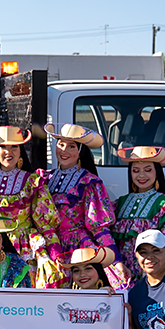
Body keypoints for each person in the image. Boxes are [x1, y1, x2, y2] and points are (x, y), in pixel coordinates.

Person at [39, 123, 128, 289]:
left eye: (71, 146)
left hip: (77, 250)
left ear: (80, 151)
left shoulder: (88, 182)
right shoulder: (44, 178)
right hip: (49, 246)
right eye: (61, 144)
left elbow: (98, 227)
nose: (64, 151)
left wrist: (116, 261)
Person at [0, 126, 62, 288]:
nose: (9, 152)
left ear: (21, 150)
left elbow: (45, 223)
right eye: (3, 147)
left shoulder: (32, 181)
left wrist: (55, 252)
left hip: (23, 247)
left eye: (14, 146)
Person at [112, 146, 165, 281]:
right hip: (125, 272)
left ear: (157, 172)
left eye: (148, 170)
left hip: (154, 270)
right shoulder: (119, 204)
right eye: (135, 170)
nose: (141, 175)